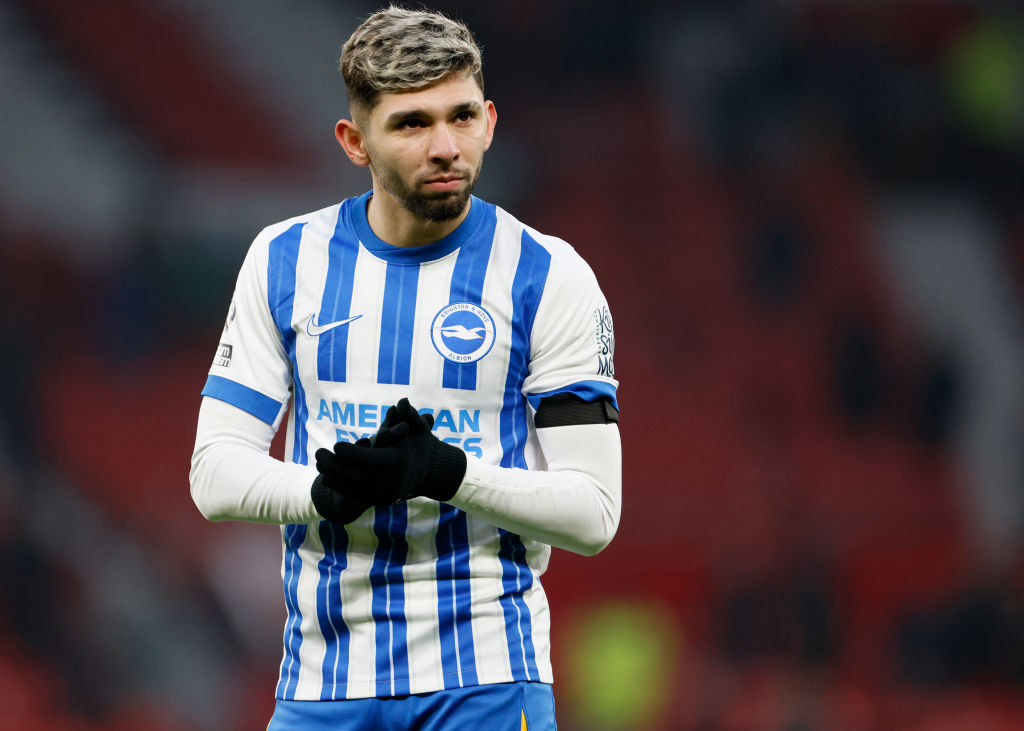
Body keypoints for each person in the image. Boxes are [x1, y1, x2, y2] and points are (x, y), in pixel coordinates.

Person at [189, 6, 621, 730]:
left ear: (488, 119)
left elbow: (594, 512)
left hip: (485, 682)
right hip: (323, 685)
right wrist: (324, 491)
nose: (445, 146)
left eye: (460, 117)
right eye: (412, 123)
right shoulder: (284, 259)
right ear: (355, 141)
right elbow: (213, 474)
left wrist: (446, 473)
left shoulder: (549, 275)